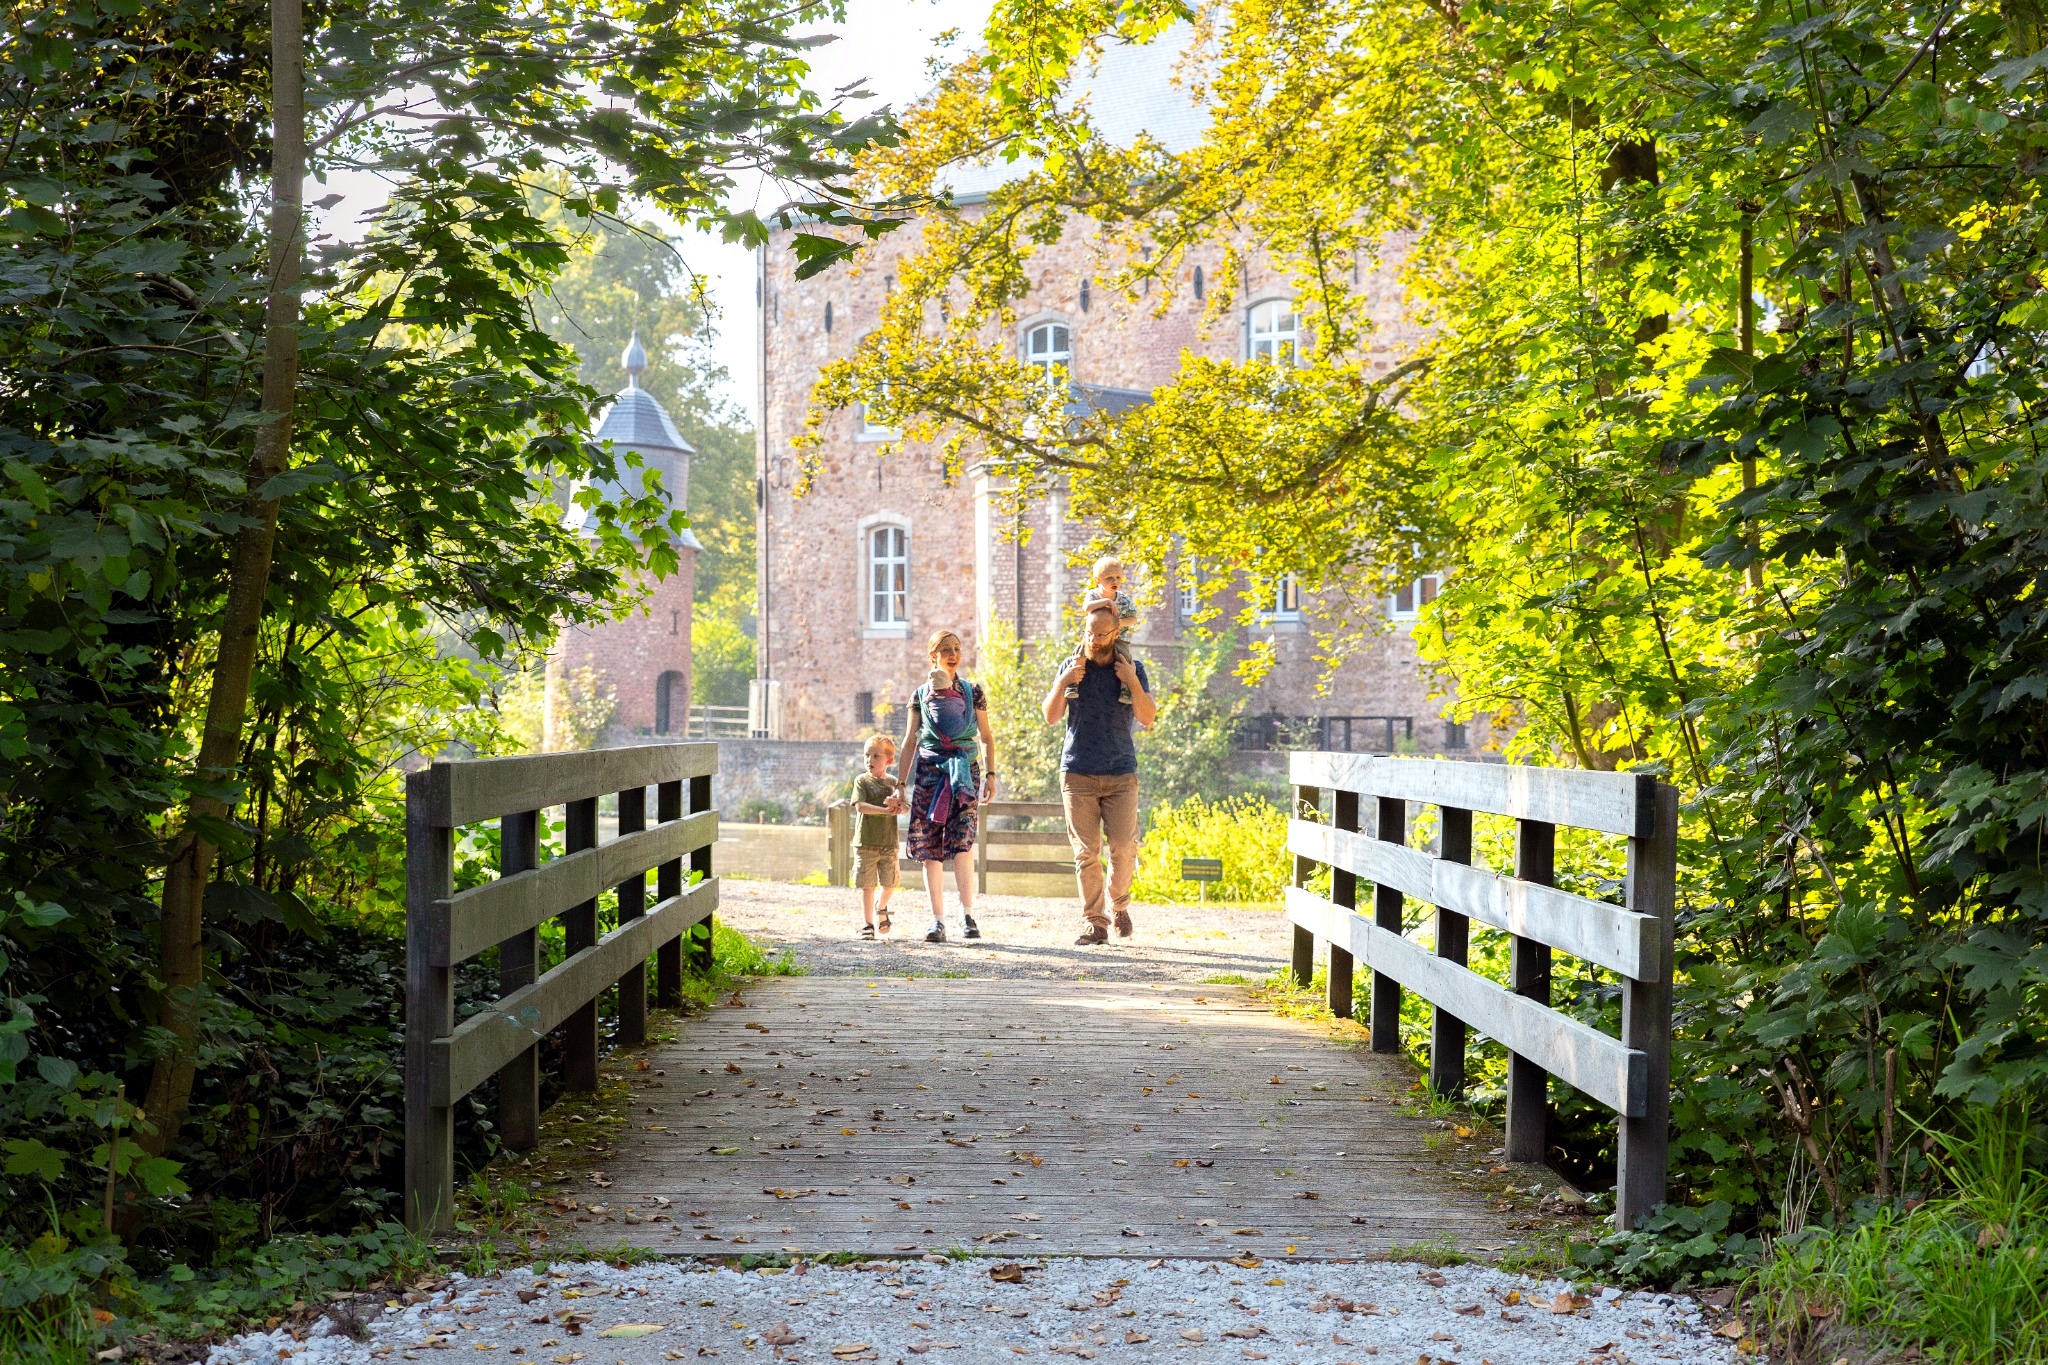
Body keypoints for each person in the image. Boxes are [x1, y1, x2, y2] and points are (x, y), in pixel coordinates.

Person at [1043, 600, 1156, 945]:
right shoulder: (1072, 665)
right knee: (1086, 852)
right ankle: (1096, 922)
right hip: (1077, 771)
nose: (1094, 640)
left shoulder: (1131, 668)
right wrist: (1064, 680)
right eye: (1089, 633)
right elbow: (1050, 716)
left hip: (1121, 772)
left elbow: (1148, 717)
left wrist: (1132, 682)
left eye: (1102, 634)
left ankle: (1119, 904)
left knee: (1123, 847)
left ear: (1116, 633)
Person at [897, 629, 995, 943]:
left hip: (965, 771)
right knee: (930, 846)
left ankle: (967, 915)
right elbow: (910, 740)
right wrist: (900, 784)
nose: (953, 654)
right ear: (933, 656)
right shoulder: (919, 695)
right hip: (930, 772)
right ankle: (937, 920)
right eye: (946, 650)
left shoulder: (973, 692)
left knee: (963, 841)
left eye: (956, 648)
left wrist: (992, 775)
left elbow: (986, 737)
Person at [1063, 555, 1141, 704]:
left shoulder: (1124, 600)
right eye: (1109, 578)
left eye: (1118, 578)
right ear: (1097, 580)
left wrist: (1119, 624)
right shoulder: (1093, 595)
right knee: (1079, 654)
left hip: (1118, 638)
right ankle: (1073, 684)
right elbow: (1086, 608)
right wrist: (1105, 602)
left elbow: (1133, 618)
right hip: (1094, 636)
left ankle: (1126, 689)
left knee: (1126, 659)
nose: (1114, 581)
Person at [851, 734, 906, 940]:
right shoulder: (862, 781)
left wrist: (898, 806)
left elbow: (905, 807)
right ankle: (867, 924)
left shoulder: (894, 784)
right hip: (865, 842)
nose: (869, 760)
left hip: (889, 843)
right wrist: (884, 810)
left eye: (876, 756)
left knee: (890, 884)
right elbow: (860, 807)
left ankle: (881, 906)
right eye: (867, 755)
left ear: (889, 761)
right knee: (868, 886)